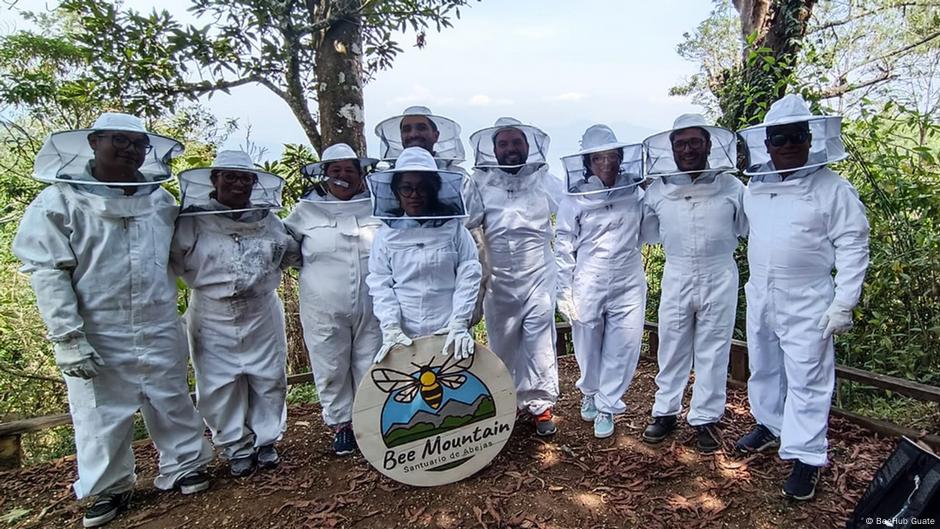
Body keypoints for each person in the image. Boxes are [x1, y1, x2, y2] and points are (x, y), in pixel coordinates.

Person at [12, 113, 213, 528]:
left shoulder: (158, 201)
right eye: (118, 141)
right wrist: (67, 337)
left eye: (137, 144)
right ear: (94, 143)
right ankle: (109, 487)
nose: (129, 150)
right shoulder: (59, 202)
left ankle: (185, 464)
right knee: (99, 412)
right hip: (97, 327)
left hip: (158, 319)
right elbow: (49, 271)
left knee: (171, 397)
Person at [735, 94, 870, 500]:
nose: (788, 144)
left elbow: (853, 242)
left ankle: (808, 456)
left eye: (796, 136)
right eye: (780, 138)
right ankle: (770, 425)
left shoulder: (832, 188)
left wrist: (844, 301)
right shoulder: (755, 187)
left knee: (809, 376)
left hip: (808, 296)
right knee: (764, 365)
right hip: (761, 291)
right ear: (767, 143)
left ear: (810, 139)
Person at [171, 150, 297, 478]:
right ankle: (235, 445)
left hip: (261, 307)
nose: (238, 183)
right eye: (230, 176)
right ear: (215, 180)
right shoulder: (192, 220)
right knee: (217, 383)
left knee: (269, 376)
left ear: (255, 182)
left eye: (245, 177)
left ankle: (267, 440)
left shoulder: (268, 219)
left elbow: (286, 253)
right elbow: (174, 261)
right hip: (211, 311)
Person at [639, 114, 747, 452]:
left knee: (713, 349)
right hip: (678, 272)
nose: (688, 149)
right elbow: (648, 232)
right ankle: (665, 411)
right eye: (681, 143)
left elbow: (745, 227)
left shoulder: (732, 187)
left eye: (694, 142)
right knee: (671, 346)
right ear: (671, 148)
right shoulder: (657, 190)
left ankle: (705, 419)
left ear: (708, 145)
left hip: (720, 274)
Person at [464, 117, 563, 436]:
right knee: (502, 341)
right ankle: (505, 403)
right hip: (498, 276)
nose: (510, 149)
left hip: (539, 272)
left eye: (515, 143)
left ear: (527, 146)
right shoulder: (479, 183)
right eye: (503, 144)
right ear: (493, 149)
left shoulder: (544, 180)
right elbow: (467, 226)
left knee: (539, 340)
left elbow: (575, 209)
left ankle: (541, 405)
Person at [284, 143, 384, 456]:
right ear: (325, 175)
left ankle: (371, 422)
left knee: (371, 362)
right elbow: (287, 251)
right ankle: (341, 425)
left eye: (349, 170)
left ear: (361, 174)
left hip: (374, 304)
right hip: (323, 307)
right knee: (331, 365)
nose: (343, 176)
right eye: (336, 170)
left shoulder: (377, 207)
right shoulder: (304, 212)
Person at [554, 124, 647, 439]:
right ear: (588, 163)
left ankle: (608, 405)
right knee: (587, 340)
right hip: (588, 276)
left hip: (629, 275)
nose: (606, 163)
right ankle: (590, 391)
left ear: (621, 158)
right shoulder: (574, 199)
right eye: (598, 158)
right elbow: (564, 244)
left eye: (611, 157)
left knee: (624, 343)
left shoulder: (635, 193)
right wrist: (563, 291)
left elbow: (650, 228)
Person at [366, 147, 481, 364]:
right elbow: (380, 282)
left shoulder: (455, 230)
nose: (414, 195)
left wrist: (459, 322)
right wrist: (390, 326)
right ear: (396, 192)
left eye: (422, 188)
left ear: (433, 189)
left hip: (448, 328)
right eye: (406, 188)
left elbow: (469, 276)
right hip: (404, 334)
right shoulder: (385, 235)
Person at [374, 106, 466, 171]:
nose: (413, 134)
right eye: (406, 130)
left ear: (436, 135)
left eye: (421, 128)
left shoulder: (458, 175)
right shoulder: (387, 176)